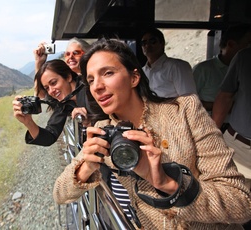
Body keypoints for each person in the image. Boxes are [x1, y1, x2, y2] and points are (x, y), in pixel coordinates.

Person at [53, 39, 251, 229]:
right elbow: (59, 193)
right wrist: (86, 167)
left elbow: (242, 203)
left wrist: (168, 184)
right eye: (91, 80)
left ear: (134, 77)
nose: (97, 86)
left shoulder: (184, 112)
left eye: (108, 73)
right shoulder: (104, 133)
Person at [12, 59, 90, 146]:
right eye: (47, 88)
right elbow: (50, 136)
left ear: (68, 77)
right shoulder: (64, 103)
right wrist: (28, 122)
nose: (51, 91)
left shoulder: (90, 89)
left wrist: (89, 117)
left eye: (53, 83)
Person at [212, 47, 251, 191]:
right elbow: (225, 97)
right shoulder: (245, 56)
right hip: (239, 145)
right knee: (229, 202)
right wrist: (212, 137)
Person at [193, 24, 251, 115]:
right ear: (231, 44)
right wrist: (223, 106)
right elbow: (187, 103)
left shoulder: (245, 71)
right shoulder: (202, 70)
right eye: (248, 44)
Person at [141, 27, 197, 97]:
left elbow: (189, 100)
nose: (147, 45)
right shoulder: (142, 72)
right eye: (144, 43)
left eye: (152, 41)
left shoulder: (177, 67)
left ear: (162, 43)